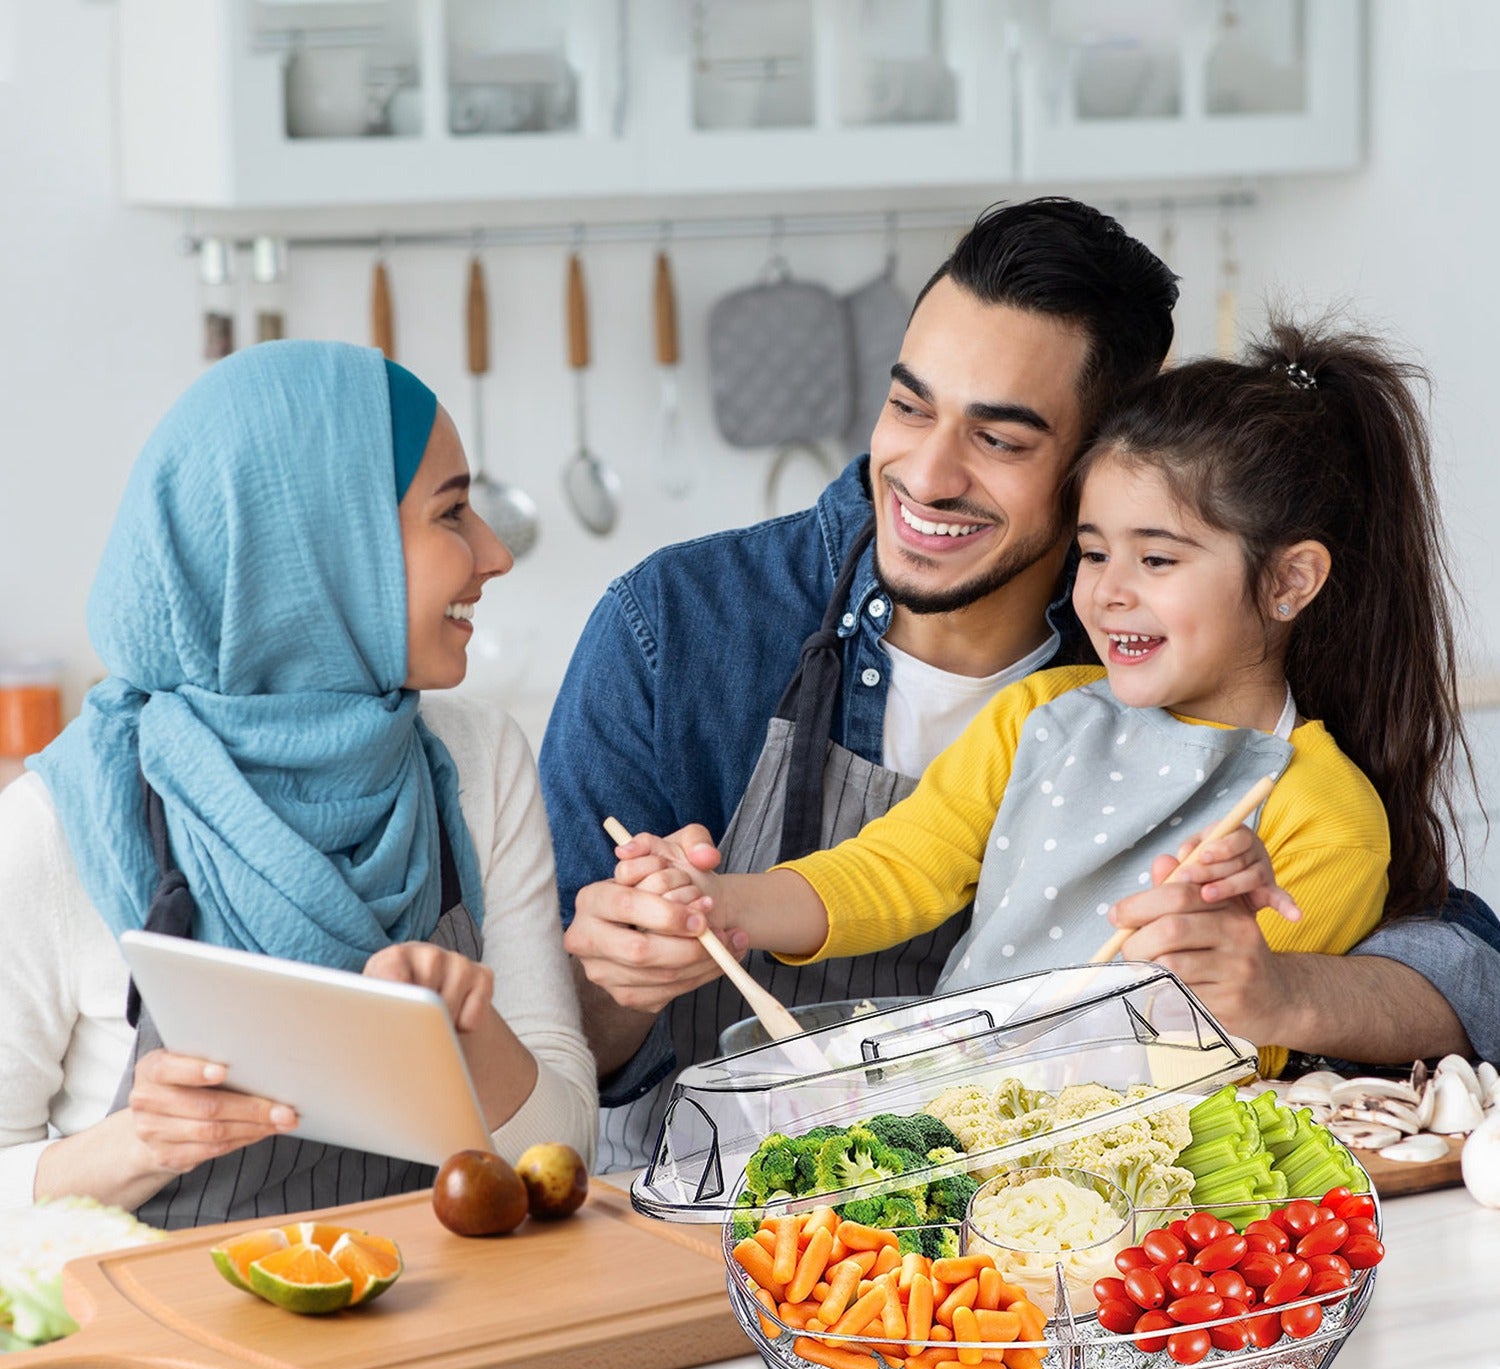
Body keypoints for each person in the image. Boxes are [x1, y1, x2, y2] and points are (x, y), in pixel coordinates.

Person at [540, 198, 1499, 1173]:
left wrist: (1272, 983)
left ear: (1093, 465)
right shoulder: (686, 624)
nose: (926, 472)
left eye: (1000, 440)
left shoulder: (1274, 773)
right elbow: (891, 871)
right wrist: (704, 911)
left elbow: (1386, 985)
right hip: (741, 1177)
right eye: (909, 405)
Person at [610, 319, 1467, 1083]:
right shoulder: (1041, 716)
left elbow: (1244, 1042)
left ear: (1290, 581)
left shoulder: (1327, 817)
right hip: (949, 1120)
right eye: (1094, 554)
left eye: (1157, 560)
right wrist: (725, 903)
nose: (1110, 594)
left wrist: (1224, 963)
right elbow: (897, 867)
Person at [0, 341, 597, 1225]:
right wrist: (138, 1144)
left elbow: (566, 1152)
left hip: (444, 1334)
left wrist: (464, 1036)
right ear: (317, 547)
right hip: (159, 1352)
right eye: (453, 514)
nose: (494, 555)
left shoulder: (479, 760)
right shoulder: (55, 824)